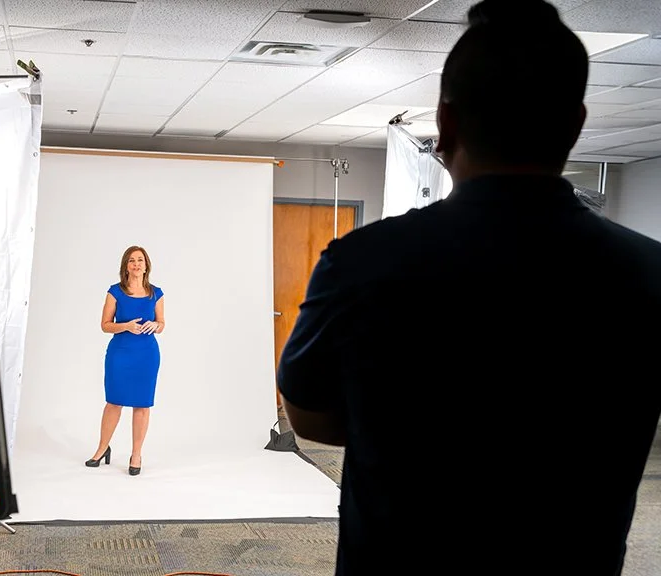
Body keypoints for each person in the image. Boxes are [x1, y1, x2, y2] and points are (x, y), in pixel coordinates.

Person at [277, 1, 661, 574]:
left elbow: (309, 418)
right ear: (576, 123)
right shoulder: (649, 272)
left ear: (446, 120)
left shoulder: (362, 261)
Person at [86, 246, 165, 476]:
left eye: (140, 260)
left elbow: (162, 323)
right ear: (126, 266)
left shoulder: (156, 293)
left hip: (147, 355)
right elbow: (105, 325)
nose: (136, 264)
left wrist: (156, 325)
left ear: (146, 266)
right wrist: (127, 326)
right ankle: (102, 448)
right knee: (114, 402)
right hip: (120, 353)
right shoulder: (115, 292)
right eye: (132, 260)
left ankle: (136, 454)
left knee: (142, 404)